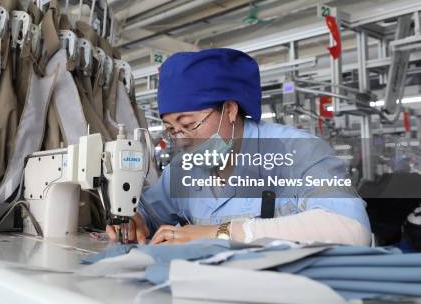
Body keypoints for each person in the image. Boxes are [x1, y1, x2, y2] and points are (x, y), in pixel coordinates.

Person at [106, 48, 371, 245]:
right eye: (171, 128)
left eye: (189, 124)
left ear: (230, 110)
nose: (181, 139)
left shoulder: (297, 151)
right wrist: (134, 221)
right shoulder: (184, 170)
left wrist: (222, 232)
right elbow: (149, 214)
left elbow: (350, 230)